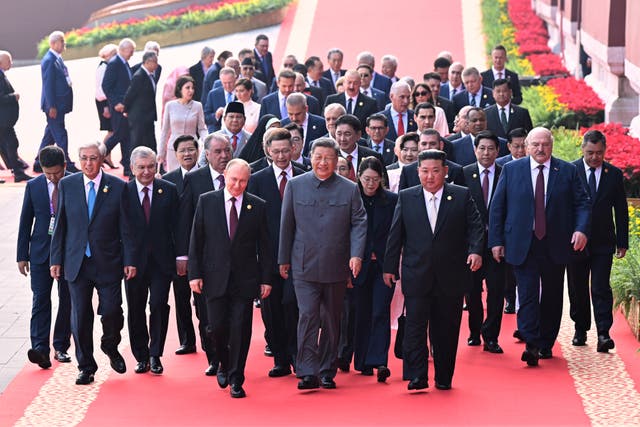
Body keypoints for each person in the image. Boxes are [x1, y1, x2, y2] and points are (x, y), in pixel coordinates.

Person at [489, 127, 591, 366]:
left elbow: (583, 203)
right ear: (526, 146)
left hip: (555, 242)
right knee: (527, 293)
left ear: (551, 145)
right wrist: (496, 241)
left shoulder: (567, 170)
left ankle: (546, 342)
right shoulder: (512, 170)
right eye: (535, 144)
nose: (540, 149)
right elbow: (497, 207)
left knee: (553, 294)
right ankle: (531, 342)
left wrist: (581, 229)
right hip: (522, 242)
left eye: (545, 144)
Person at [383, 149, 484, 391]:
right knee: (415, 329)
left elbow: (476, 227)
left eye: (435, 171)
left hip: (451, 276)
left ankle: (443, 376)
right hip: (417, 274)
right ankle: (417, 376)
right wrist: (389, 267)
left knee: (446, 330)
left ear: (445, 172)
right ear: (418, 172)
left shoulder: (460, 195)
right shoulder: (407, 197)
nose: (430, 176)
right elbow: (396, 235)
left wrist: (476, 251)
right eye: (425, 171)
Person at [279, 138, 367, 390]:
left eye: (328, 158)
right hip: (303, 264)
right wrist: (283, 259)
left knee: (331, 319)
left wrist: (356, 255)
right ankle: (307, 371)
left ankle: (327, 369)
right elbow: (287, 225)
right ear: (310, 158)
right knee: (307, 315)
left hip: (336, 265)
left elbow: (360, 222)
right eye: (318, 157)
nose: (322, 162)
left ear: (336, 160)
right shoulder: (296, 185)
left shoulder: (349, 189)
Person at [50, 141, 136, 385]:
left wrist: (129, 259)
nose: (88, 163)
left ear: (102, 159)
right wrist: (56, 258)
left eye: (93, 158)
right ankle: (86, 366)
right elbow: (61, 224)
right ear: (78, 160)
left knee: (112, 311)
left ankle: (110, 344)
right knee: (80, 316)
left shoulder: (118, 186)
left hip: (107, 261)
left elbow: (126, 228)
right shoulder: (67, 184)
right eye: (84, 158)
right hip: (76, 262)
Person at [189, 158, 272, 399]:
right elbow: (197, 240)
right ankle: (223, 364)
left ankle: (236, 377)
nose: (238, 185)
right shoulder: (207, 201)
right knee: (217, 328)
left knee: (240, 329)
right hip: (213, 277)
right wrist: (194, 274)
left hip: (245, 280)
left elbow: (265, 246)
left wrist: (266, 279)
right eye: (234, 179)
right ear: (225, 175)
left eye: (243, 181)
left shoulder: (257, 206)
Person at [247, 128, 306, 377]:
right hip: (268, 258)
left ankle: (297, 356)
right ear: (268, 151)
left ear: (293, 149)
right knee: (272, 311)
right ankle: (280, 358)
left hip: (299, 255)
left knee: (295, 307)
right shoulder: (257, 179)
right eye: (276, 151)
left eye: (286, 150)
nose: (282, 155)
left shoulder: (304, 176)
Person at [177, 133, 233, 376]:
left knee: (232, 313)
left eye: (227, 151)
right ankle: (214, 357)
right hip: (205, 259)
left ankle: (231, 358)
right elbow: (186, 221)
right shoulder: (195, 179)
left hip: (234, 259)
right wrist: (185, 258)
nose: (223, 156)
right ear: (207, 155)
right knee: (206, 313)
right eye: (218, 152)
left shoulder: (239, 174)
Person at [567, 130, 628, 352]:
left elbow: (621, 210)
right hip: (576, 240)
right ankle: (580, 328)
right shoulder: (570, 170)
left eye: (599, 153)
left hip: (603, 240)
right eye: (590, 152)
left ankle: (604, 333)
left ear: (605, 151)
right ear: (582, 149)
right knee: (577, 286)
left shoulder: (613, 174)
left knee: (601, 286)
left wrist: (623, 241)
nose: (594, 157)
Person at [124, 147, 178, 375]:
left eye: (151, 167)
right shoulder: (123, 192)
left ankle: (155, 354)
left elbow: (177, 226)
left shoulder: (169, 190)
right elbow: (121, 230)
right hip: (133, 264)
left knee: (158, 305)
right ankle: (141, 356)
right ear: (132, 168)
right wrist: (127, 260)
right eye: (141, 167)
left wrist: (181, 257)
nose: (146, 172)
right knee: (135, 309)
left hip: (161, 262)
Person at [17, 146, 71, 369]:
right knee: (40, 300)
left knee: (67, 300)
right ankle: (40, 349)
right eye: (48, 173)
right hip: (40, 253)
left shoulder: (73, 183)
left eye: (56, 173)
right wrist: (22, 255)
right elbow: (25, 221)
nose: (52, 178)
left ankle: (61, 347)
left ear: (64, 167)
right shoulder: (34, 186)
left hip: (68, 253)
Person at [352, 157, 397, 381]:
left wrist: (390, 263)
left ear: (381, 179)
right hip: (357, 265)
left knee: (380, 311)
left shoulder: (392, 200)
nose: (370, 184)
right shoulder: (352, 198)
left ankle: (379, 360)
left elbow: (396, 235)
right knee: (361, 313)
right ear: (359, 177)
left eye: (375, 179)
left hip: (383, 265)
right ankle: (361, 361)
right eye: (366, 179)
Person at [461, 131, 505, 352]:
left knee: (496, 291)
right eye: (482, 148)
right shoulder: (464, 173)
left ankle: (491, 336)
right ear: (475, 150)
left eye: (490, 149)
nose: (486, 153)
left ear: (498, 151)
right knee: (472, 291)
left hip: (497, 244)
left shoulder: (506, 173)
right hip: (471, 245)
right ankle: (474, 331)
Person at [162, 135, 199, 355]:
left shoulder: (207, 177)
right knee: (181, 296)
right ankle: (187, 339)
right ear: (175, 155)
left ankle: (209, 338)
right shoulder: (168, 181)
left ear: (197, 151)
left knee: (204, 300)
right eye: (182, 150)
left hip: (204, 248)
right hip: (177, 249)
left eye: (191, 149)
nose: (187, 154)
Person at [34, 31, 78, 173]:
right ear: (53, 43)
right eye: (61, 41)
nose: (64, 44)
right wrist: (51, 105)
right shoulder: (49, 60)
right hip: (54, 106)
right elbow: (48, 85)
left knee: (50, 134)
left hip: (59, 105)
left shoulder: (57, 58)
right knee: (60, 134)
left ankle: (38, 162)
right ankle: (67, 162)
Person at [158, 75, 207, 172]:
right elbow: (165, 131)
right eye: (187, 88)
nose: (191, 91)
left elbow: (202, 129)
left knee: (192, 177)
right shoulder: (170, 106)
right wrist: (161, 152)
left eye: (192, 88)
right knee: (173, 178)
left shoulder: (198, 106)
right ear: (180, 89)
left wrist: (207, 143)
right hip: (174, 149)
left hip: (192, 148)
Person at [102, 38, 136, 175]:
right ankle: (101, 153)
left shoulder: (124, 63)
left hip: (125, 106)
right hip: (118, 108)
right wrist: (115, 103)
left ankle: (127, 167)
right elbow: (106, 86)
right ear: (122, 49)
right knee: (119, 134)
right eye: (131, 51)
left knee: (126, 136)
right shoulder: (115, 63)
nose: (132, 54)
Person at [0, 50, 32, 182]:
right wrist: (14, 97)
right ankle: (18, 172)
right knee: (12, 144)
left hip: (5, 120)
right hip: (3, 120)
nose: (11, 63)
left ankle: (15, 167)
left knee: (7, 144)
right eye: (9, 61)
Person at [399, 129, 465, 190]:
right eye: (424, 144)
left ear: (441, 145)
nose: (428, 147)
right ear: (419, 145)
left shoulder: (455, 170)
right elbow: (403, 200)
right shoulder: (408, 171)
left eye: (432, 144)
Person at [123, 51, 159, 153]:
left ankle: (156, 165)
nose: (157, 65)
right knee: (137, 142)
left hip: (148, 115)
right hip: (139, 116)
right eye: (155, 62)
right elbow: (130, 95)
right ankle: (133, 166)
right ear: (148, 62)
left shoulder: (150, 75)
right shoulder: (139, 76)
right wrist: (126, 110)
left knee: (151, 142)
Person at [95, 44, 117, 157]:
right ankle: (103, 154)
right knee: (112, 130)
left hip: (107, 101)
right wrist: (105, 106)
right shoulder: (103, 67)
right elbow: (100, 89)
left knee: (112, 130)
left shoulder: (108, 66)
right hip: (104, 102)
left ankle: (106, 155)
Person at [203, 67, 237, 132]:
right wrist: (216, 115)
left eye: (230, 82)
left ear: (235, 79)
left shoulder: (241, 93)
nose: (228, 86)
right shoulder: (213, 94)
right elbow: (206, 117)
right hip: (218, 131)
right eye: (224, 83)